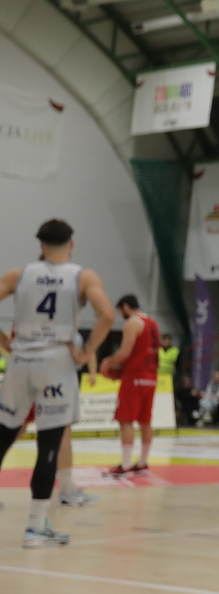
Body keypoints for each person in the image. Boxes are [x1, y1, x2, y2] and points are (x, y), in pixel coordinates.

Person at [0, 219, 115, 546]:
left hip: (21, 359)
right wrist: (87, 352)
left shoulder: (19, 274)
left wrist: (4, 341)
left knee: (4, 434)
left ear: (40, 245)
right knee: (49, 443)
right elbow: (107, 315)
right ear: (71, 243)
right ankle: (36, 527)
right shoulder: (83, 276)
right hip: (55, 361)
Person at [102, 295, 160, 475]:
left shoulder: (133, 323)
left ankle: (126, 465)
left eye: (121, 312)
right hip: (151, 377)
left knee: (126, 420)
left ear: (126, 307)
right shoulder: (153, 323)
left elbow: (125, 352)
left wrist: (108, 362)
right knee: (145, 421)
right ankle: (143, 463)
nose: (121, 316)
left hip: (135, 376)